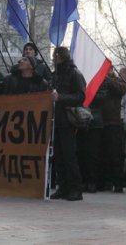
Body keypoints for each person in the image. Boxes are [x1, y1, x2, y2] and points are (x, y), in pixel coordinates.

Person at [50, 46, 86, 201]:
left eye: (55, 56)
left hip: (67, 119)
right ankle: (63, 187)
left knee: (69, 155)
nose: (53, 59)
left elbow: (80, 96)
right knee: (58, 155)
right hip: (55, 119)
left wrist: (61, 97)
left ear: (60, 56)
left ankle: (76, 189)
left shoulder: (74, 73)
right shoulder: (56, 74)